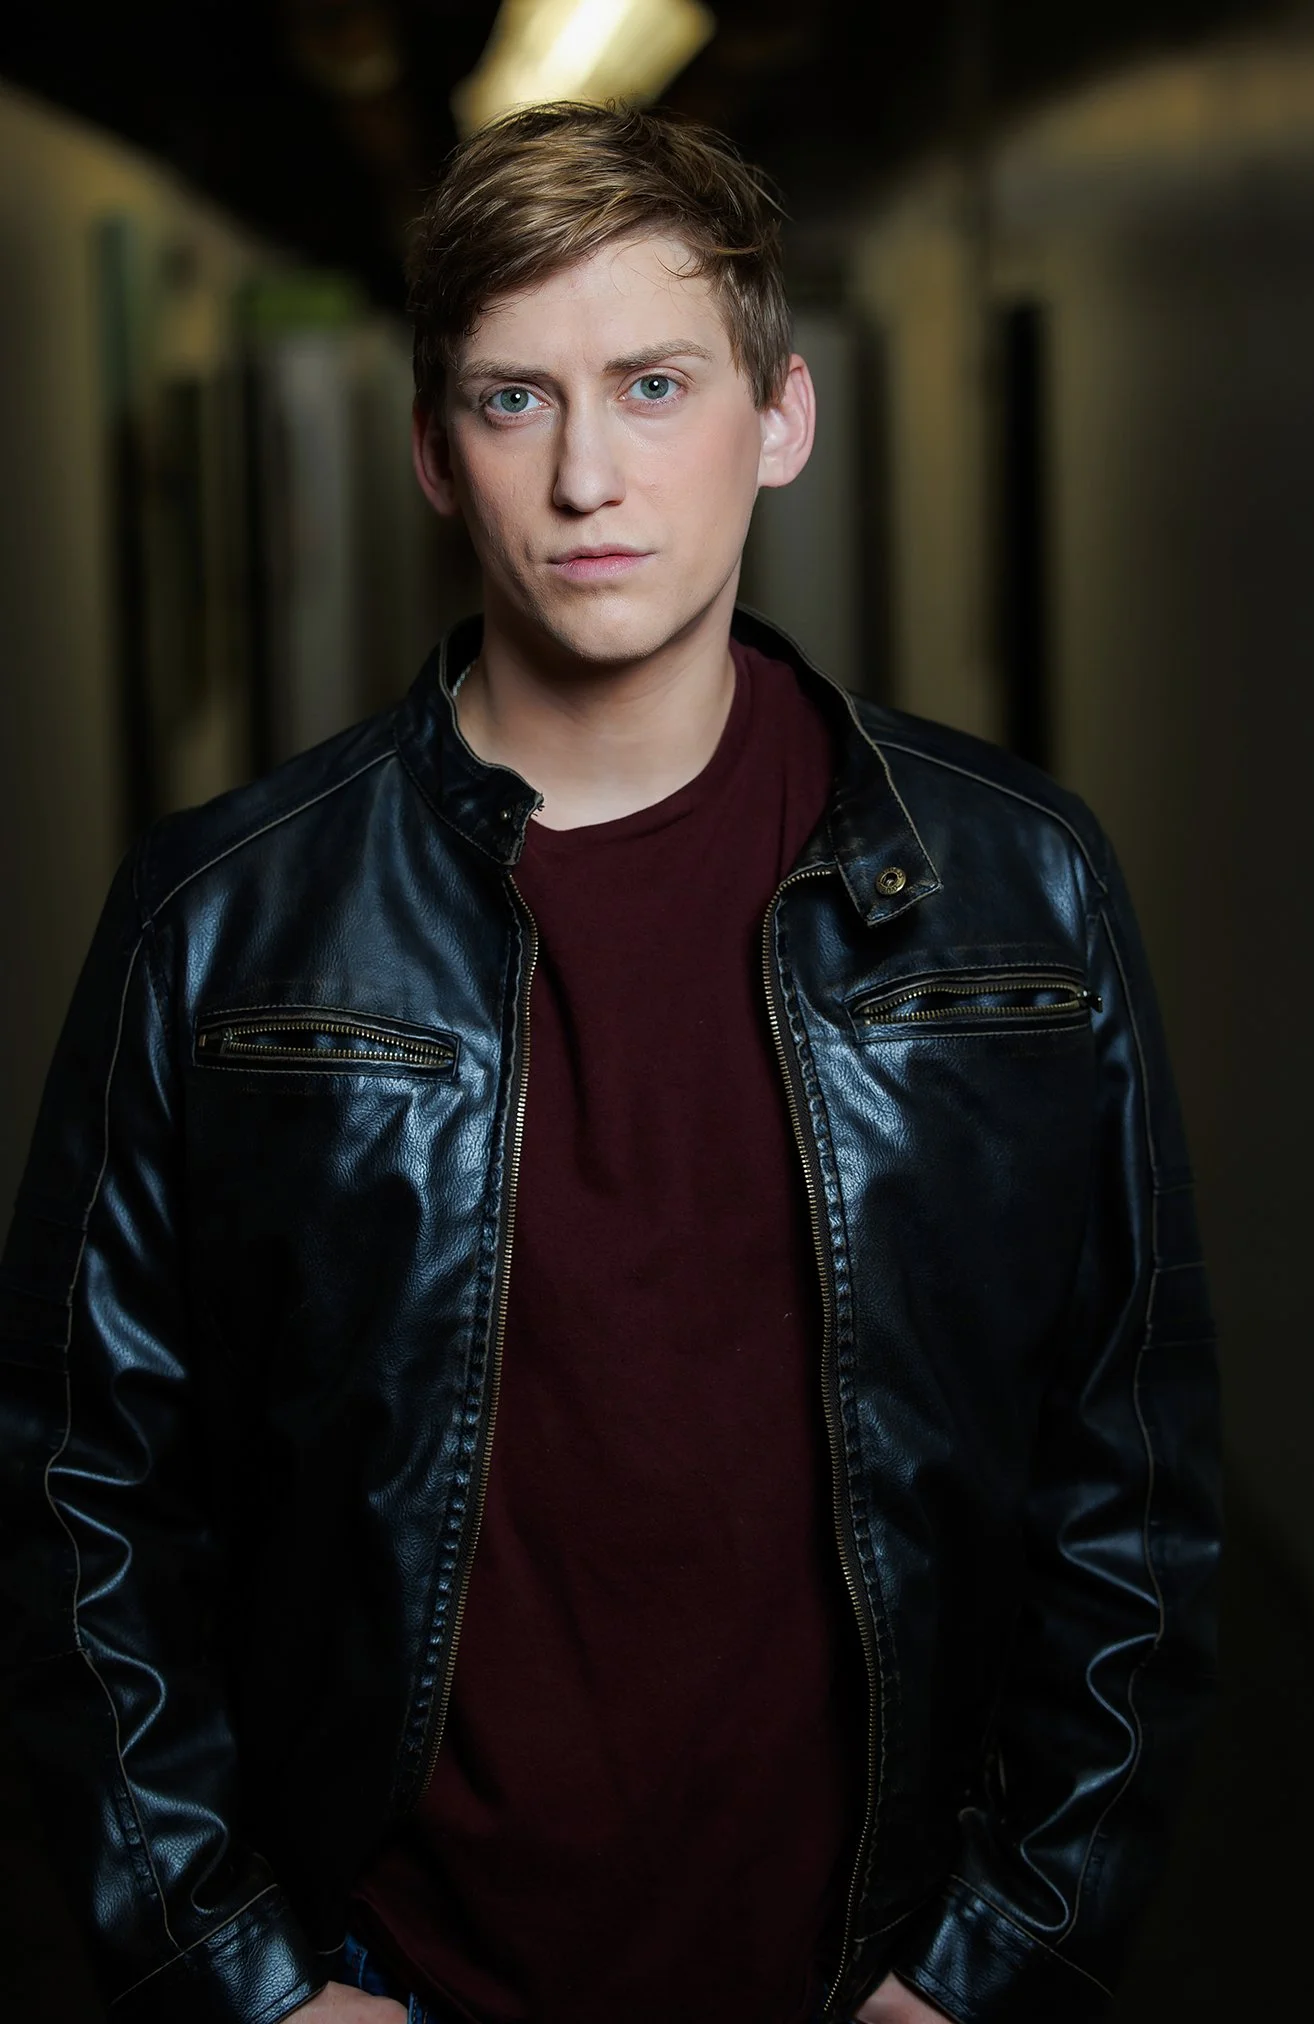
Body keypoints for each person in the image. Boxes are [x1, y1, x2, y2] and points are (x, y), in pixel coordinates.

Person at [0, 100, 1219, 2024]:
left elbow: (1127, 1494)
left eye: (654, 384)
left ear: (782, 419)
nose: (587, 476)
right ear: (430, 451)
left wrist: (1004, 1958)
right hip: (390, 1983)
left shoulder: (1019, 890)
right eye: (512, 401)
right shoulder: (221, 919)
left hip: (859, 1984)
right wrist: (234, 1979)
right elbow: (78, 1498)